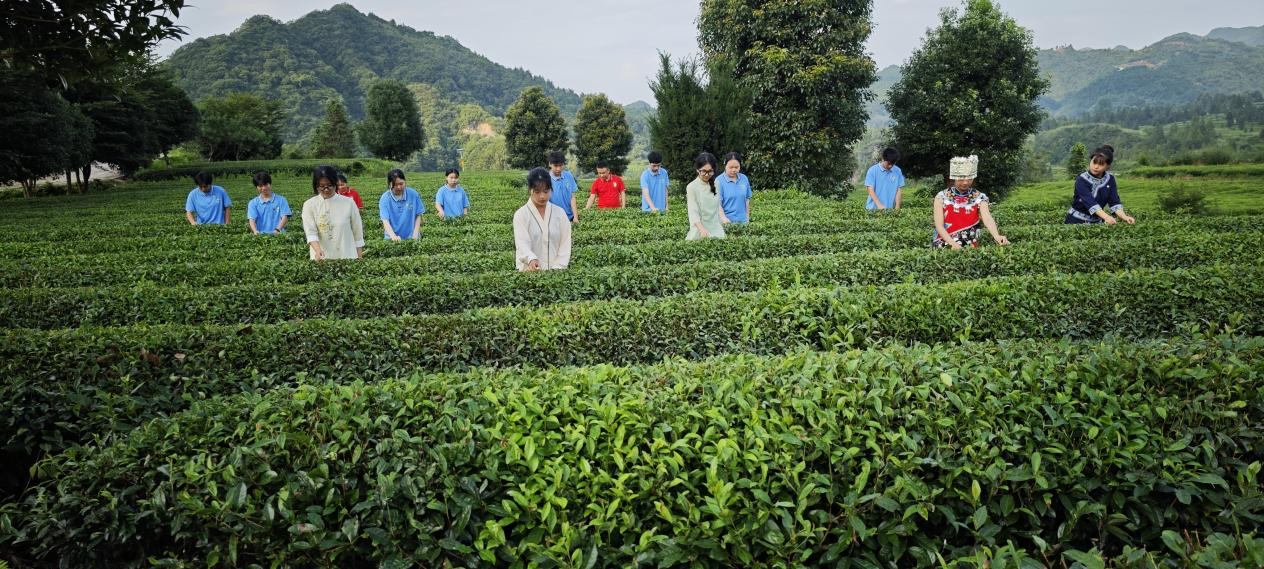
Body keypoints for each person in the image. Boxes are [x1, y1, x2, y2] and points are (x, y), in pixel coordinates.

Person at [933, 155, 1009, 249]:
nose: (965, 182)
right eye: (961, 178)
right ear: (954, 178)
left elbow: (987, 218)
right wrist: (953, 244)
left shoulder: (980, 197)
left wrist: (997, 235)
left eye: (969, 178)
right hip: (945, 242)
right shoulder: (941, 197)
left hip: (971, 243)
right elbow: (939, 225)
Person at [513, 167, 572, 271]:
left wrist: (557, 268)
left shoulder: (560, 213)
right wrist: (531, 258)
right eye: (537, 191)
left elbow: (565, 244)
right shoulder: (521, 215)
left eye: (546, 191)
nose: (542, 196)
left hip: (557, 274)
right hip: (529, 273)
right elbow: (521, 242)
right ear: (530, 190)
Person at [302, 165, 365, 261]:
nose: (326, 189)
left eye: (329, 185)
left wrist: (359, 256)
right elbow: (310, 232)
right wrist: (318, 250)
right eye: (322, 186)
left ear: (335, 183)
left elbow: (358, 231)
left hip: (347, 256)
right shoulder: (309, 205)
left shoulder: (348, 202)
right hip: (322, 258)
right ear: (316, 185)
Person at [1066, 144, 1136, 225]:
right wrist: (1106, 217)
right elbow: (1089, 202)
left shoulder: (1110, 179)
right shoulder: (1081, 179)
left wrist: (1125, 217)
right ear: (1090, 160)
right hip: (1076, 221)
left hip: (1097, 222)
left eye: (1101, 164)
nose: (1096, 167)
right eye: (1094, 162)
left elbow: (1114, 202)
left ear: (1108, 166)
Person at [686, 152, 726, 240]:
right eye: (704, 171)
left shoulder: (717, 184)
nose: (707, 175)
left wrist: (723, 218)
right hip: (700, 231)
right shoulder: (692, 187)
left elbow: (718, 206)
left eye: (710, 171)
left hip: (717, 230)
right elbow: (693, 212)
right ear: (697, 169)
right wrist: (702, 230)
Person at [379, 169, 425, 240]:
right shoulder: (385, 198)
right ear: (390, 184)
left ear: (405, 181)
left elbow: (418, 215)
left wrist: (415, 234)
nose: (399, 187)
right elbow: (385, 220)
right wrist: (393, 237)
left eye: (401, 183)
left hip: (411, 236)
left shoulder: (413, 194)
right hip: (391, 237)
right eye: (395, 185)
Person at [246, 171, 291, 235]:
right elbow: (252, 219)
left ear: (270, 184)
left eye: (266, 184)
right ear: (257, 187)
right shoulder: (253, 203)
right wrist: (255, 231)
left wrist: (277, 229)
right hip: (260, 235)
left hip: (279, 235)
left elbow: (284, 217)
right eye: (260, 186)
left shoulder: (281, 200)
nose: (264, 188)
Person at [717, 152, 751, 223]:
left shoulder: (744, 178)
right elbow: (717, 204)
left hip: (743, 222)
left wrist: (747, 218)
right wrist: (724, 219)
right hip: (726, 223)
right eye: (731, 167)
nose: (734, 170)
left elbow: (747, 200)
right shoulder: (719, 181)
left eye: (736, 167)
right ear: (725, 165)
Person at [546, 151, 579, 223]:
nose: (558, 169)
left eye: (560, 165)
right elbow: (545, 202)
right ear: (550, 164)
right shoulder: (546, 179)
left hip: (570, 217)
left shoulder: (568, 175)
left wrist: (575, 217)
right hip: (554, 219)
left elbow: (572, 197)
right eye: (555, 166)